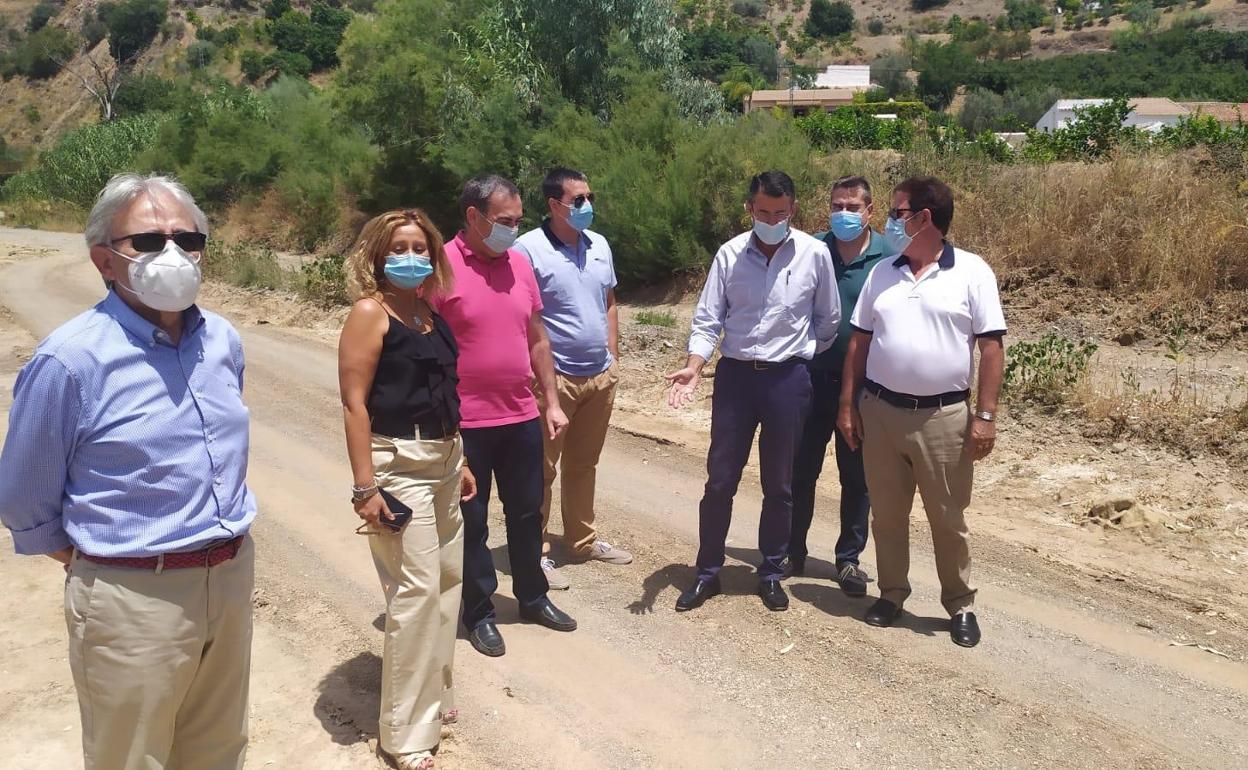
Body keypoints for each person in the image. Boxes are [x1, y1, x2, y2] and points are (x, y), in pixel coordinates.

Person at [0, 173, 256, 770]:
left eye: (188, 240)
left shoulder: (221, 340)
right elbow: (22, 495)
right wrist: (108, 562)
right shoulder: (71, 359)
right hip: (131, 596)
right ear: (104, 261)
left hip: (229, 577)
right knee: (132, 758)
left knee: (219, 750)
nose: (173, 254)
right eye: (146, 241)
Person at [837, 176, 1006, 648]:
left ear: (923, 218)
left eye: (897, 212)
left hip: (943, 419)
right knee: (887, 515)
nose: (891, 221)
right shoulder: (883, 272)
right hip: (881, 412)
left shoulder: (972, 272)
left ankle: (960, 604)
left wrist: (986, 418)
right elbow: (860, 342)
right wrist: (848, 406)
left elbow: (991, 348)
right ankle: (892, 594)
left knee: (948, 518)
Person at [338, 209, 477, 770]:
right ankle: (404, 735)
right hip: (398, 466)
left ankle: (434, 697)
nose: (412, 256)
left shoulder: (426, 311)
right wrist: (364, 487)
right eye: (400, 246)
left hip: (444, 461)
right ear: (377, 254)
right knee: (414, 597)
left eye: (421, 246)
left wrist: (460, 454)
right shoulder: (370, 314)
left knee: (446, 583)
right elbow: (353, 404)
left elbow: (444, 389)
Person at [666, 170, 840, 613]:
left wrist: (798, 356)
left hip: (787, 381)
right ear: (750, 208)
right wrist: (693, 367)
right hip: (736, 379)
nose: (771, 219)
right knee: (720, 478)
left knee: (779, 483)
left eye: (779, 213)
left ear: (793, 210)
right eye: (763, 212)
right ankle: (707, 572)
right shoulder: (729, 255)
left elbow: (829, 320)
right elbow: (708, 319)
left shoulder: (815, 255)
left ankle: (771, 573)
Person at [434, 174, 575, 657]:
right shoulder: (441, 268)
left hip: (519, 416)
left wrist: (551, 402)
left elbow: (537, 337)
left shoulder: (519, 264)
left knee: (527, 512)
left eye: (518, 221)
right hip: (464, 424)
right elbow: (425, 348)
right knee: (472, 524)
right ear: (473, 217)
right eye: (503, 221)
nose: (512, 231)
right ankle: (478, 613)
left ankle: (533, 597)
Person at [514, 167, 631, 591]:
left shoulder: (599, 245)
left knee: (584, 464)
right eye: (577, 200)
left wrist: (612, 357)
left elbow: (610, 300)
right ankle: (536, 552)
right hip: (553, 381)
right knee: (540, 469)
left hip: (598, 377)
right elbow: (523, 316)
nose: (587, 206)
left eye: (590, 197)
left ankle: (581, 542)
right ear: (553, 204)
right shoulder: (527, 250)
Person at [787, 176, 889, 596]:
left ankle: (848, 560)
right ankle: (791, 550)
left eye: (851, 206)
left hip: (863, 389)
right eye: (836, 205)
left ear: (870, 210)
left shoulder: (890, 256)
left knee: (857, 478)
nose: (842, 214)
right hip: (809, 379)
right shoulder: (811, 248)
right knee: (800, 470)